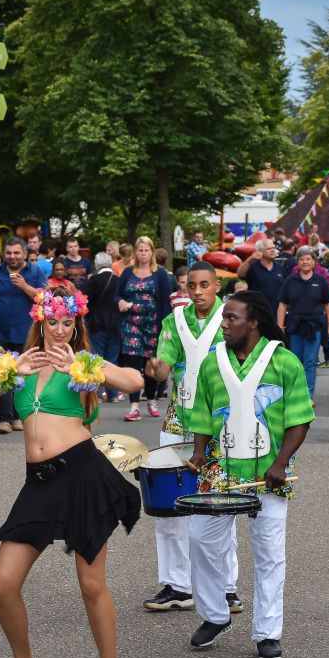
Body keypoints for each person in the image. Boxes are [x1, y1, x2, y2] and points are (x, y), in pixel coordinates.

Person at [0, 287, 143, 658]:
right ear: (40, 321)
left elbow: (133, 381)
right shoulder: (18, 367)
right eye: (53, 322)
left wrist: (89, 369)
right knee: (3, 584)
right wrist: (9, 369)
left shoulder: (81, 365)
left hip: (82, 477)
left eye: (68, 324)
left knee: (91, 584)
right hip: (38, 483)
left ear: (76, 325)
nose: (60, 331)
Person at [183, 291, 314, 658]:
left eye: (231, 319)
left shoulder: (284, 362)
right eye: (224, 318)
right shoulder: (212, 364)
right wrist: (197, 452)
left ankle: (267, 633)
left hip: (267, 474)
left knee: (269, 554)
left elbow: (300, 419)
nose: (223, 325)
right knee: (201, 541)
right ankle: (214, 615)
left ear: (253, 322)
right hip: (219, 471)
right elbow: (202, 416)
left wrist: (281, 463)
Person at [143, 261, 241, 614]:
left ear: (216, 286)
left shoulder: (231, 320)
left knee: (219, 504)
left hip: (219, 424)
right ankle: (176, 585)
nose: (197, 291)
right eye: (191, 286)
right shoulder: (174, 322)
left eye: (204, 285)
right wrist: (157, 370)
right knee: (170, 507)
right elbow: (165, 363)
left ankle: (227, 586)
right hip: (178, 420)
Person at [0, 238, 47, 433]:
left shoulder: (35, 272)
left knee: (23, 376)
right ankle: (4, 419)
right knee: (2, 374)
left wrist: (24, 286)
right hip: (0, 331)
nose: (12, 256)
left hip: (26, 332)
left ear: (24, 254)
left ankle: (19, 417)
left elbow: (44, 299)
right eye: (9, 253)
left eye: (16, 253)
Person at [116, 236, 173, 421]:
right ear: (135, 252)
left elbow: (165, 303)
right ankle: (133, 406)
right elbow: (116, 296)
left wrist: (165, 328)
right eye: (140, 250)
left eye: (146, 250)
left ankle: (151, 399)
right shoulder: (127, 273)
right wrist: (121, 302)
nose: (143, 254)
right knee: (133, 364)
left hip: (153, 324)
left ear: (152, 252)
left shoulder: (160, 274)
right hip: (130, 324)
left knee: (150, 364)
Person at [276, 247, 329, 402]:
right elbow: (282, 304)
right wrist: (279, 326)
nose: (305, 262)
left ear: (314, 262)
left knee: (310, 361)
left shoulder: (320, 280)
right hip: (295, 326)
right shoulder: (290, 280)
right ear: (298, 262)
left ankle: (308, 396)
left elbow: (328, 305)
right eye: (302, 259)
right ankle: (295, 393)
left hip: (314, 327)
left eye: (308, 259)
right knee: (295, 361)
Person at [83, 252, 123, 402]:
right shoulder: (118, 280)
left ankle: (96, 394)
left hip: (97, 325)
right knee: (112, 360)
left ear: (97, 264)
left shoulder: (94, 280)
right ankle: (113, 394)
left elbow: (86, 301)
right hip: (115, 325)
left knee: (96, 359)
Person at [237, 237, 291, 314]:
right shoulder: (253, 267)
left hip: (276, 313)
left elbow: (286, 290)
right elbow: (240, 274)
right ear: (260, 251)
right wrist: (249, 260)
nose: (273, 250)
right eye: (269, 249)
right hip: (257, 312)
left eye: (273, 248)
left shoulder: (280, 268)